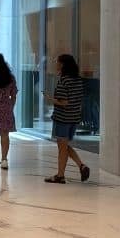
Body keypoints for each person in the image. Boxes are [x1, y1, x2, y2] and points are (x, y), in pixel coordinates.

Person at [43, 54, 90, 184]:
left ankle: (60, 175)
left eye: (57, 61)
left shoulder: (64, 80)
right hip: (73, 118)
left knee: (62, 148)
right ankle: (81, 166)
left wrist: (50, 99)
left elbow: (64, 102)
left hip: (62, 118)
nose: (55, 63)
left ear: (62, 64)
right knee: (64, 145)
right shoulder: (78, 80)